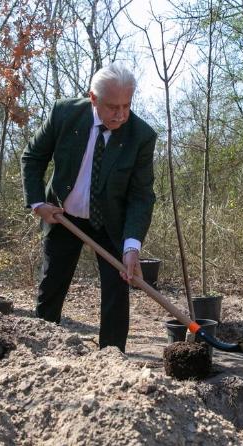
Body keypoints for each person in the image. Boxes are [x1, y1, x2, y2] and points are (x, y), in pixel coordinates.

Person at [21, 64, 156, 353]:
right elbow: (33, 158)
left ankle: (112, 359)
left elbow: (141, 195)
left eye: (126, 106)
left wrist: (132, 245)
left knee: (116, 292)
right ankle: (41, 350)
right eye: (112, 107)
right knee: (51, 286)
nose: (120, 115)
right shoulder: (65, 114)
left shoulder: (141, 136)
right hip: (62, 217)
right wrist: (38, 203)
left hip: (110, 223)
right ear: (93, 98)